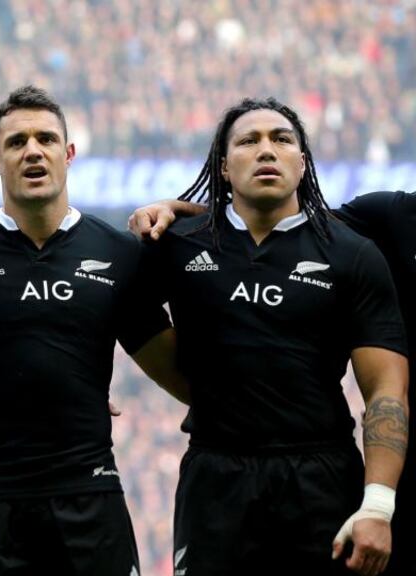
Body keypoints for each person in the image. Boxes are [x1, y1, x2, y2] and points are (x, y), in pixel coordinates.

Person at [0, 85, 189, 575]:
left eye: (45, 138)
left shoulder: (119, 255)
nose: (33, 150)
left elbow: (186, 380)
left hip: (89, 498)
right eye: (17, 142)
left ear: (69, 154)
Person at [135, 97, 408, 576]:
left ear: (302, 164)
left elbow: (386, 389)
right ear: (223, 165)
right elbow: (111, 308)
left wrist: (377, 505)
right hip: (214, 479)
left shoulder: (353, 254)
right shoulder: (177, 244)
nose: (267, 150)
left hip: (321, 478)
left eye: (282, 140)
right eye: (249, 141)